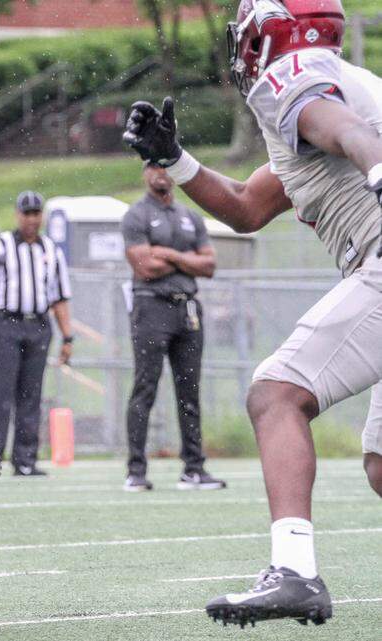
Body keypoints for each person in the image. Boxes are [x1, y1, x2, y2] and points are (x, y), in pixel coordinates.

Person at [122, 0, 382, 626]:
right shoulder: (335, 87)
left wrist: (376, 166)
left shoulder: (289, 80)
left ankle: (294, 571)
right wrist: (174, 158)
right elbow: (245, 207)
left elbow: (344, 129)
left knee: (276, 393)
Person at [121, 163, 225, 493]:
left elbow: (209, 265)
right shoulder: (136, 215)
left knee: (189, 392)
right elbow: (145, 266)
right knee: (145, 387)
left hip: (187, 309)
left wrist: (166, 252)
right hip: (151, 306)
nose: (161, 172)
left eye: (166, 165)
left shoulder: (190, 217)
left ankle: (194, 468)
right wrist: (185, 258)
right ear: (145, 172)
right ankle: (136, 470)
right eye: (154, 166)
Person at [0, 191, 74, 476]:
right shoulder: (0, 246)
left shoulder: (51, 250)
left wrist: (68, 337)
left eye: (36, 213)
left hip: (39, 326)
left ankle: (25, 459)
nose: (31, 219)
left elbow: (61, 298)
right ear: (18, 215)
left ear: (42, 216)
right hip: (7, 324)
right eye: (27, 213)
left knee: (32, 394)